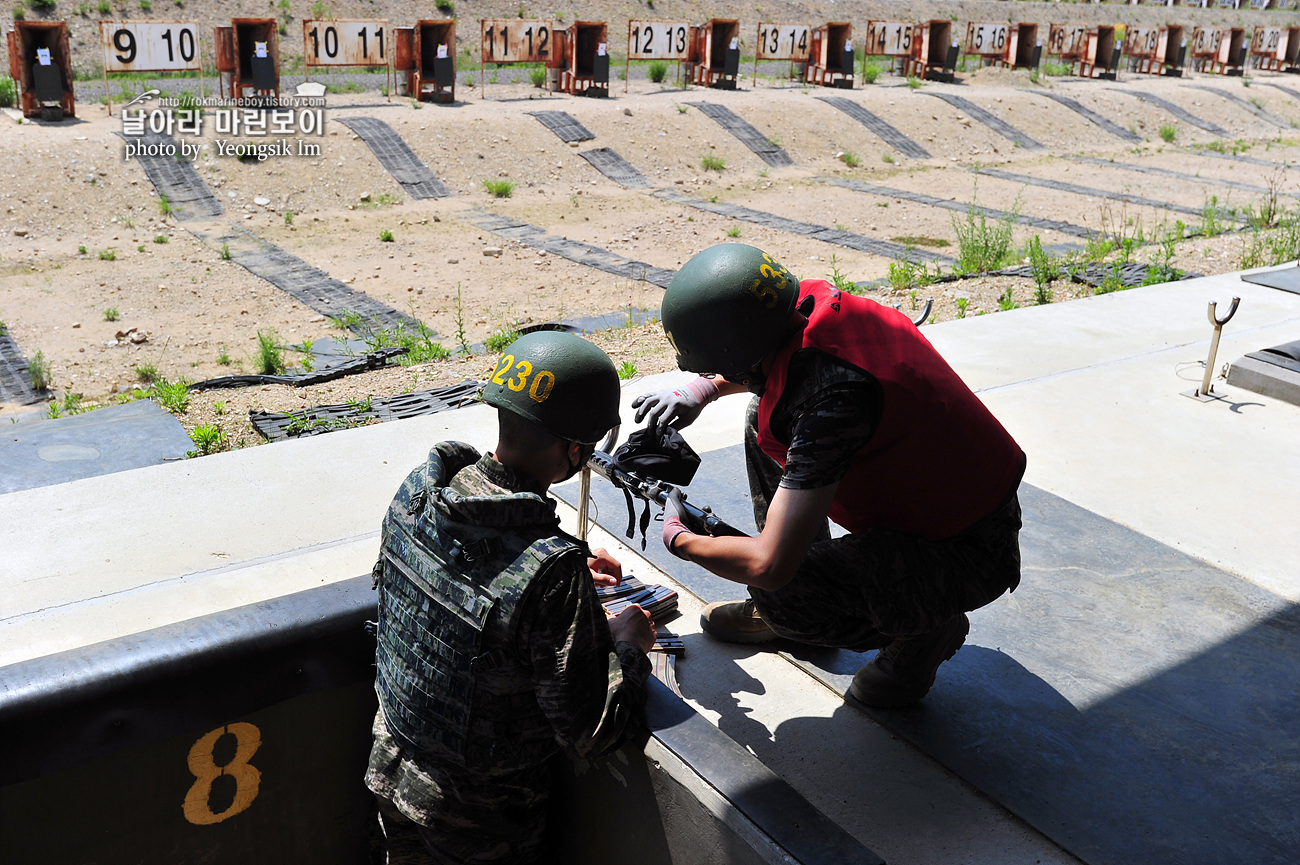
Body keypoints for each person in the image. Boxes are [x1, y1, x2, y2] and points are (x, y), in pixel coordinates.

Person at [634, 243, 1025, 708]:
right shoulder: (803, 306)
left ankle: (924, 629)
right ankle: (828, 581)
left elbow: (767, 565)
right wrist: (705, 389)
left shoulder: (833, 404)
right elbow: (780, 358)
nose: (717, 372)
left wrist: (681, 539)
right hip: (940, 511)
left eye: (718, 365)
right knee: (766, 413)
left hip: (966, 552)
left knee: (781, 591)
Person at [366, 331, 656, 864]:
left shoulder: (419, 492)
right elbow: (594, 729)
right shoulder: (551, 572)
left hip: (392, 774)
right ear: (574, 450)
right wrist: (628, 641)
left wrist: (557, 591)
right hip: (481, 824)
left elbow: (449, 580)